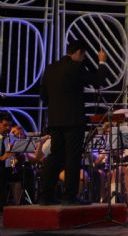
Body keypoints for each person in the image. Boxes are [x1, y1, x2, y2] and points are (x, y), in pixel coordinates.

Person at [39, 39, 107, 205]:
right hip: (73, 120)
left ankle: (45, 196)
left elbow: (43, 95)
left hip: (55, 120)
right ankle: (70, 196)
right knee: (72, 158)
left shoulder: (50, 68)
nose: (83, 59)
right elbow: (98, 80)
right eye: (83, 56)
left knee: (55, 156)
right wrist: (102, 61)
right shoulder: (76, 67)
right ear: (78, 53)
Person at [0, 113, 14, 210]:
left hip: (7, 168)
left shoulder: (11, 138)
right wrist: (2, 158)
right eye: (5, 125)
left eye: (10, 125)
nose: (8, 128)